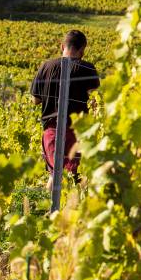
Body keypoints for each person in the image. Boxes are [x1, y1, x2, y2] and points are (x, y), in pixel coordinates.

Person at [31, 30, 100, 179]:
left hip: (51, 131)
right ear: (82, 51)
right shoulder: (88, 69)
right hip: (76, 132)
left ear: (62, 46)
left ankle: (50, 203)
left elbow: (35, 100)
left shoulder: (46, 67)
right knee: (75, 178)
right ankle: (73, 203)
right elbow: (96, 102)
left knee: (55, 177)